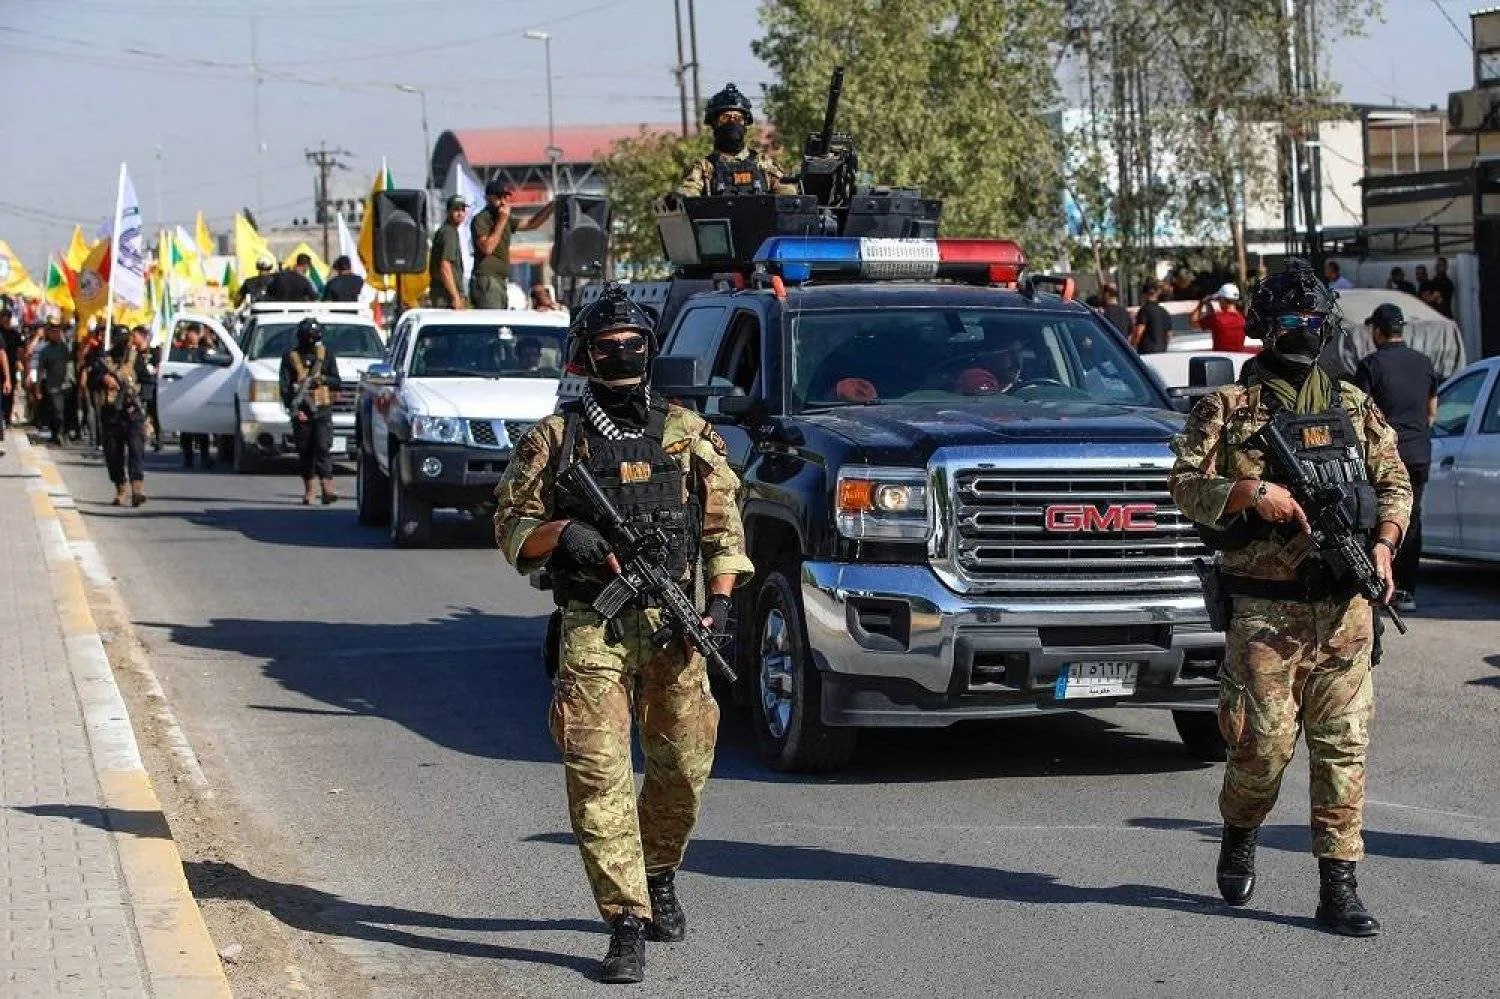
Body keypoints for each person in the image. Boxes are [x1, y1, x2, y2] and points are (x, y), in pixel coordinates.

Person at [493, 283, 752, 985]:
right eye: (606, 346)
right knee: (599, 772)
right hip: (593, 625)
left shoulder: (686, 434)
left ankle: (659, 867)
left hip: (673, 626)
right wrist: (564, 533)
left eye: (632, 343)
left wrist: (721, 605)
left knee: (686, 766)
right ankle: (626, 917)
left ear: (650, 348)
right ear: (585, 354)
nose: (621, 354)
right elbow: (511, 529)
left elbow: (723, 528)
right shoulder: (555, 439)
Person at [1169, 259, 1412, 938]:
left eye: (1313, 324)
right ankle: (1240, 827)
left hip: (1344, 612)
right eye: (1290, 324)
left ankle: (1339, 887)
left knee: (1343, 748)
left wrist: (1386, 543)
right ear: (1263, 329)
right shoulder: (1226, 407)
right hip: (1265, 615)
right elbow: (1184, 484)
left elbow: (1394, 479)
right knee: (1264, 748)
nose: (1303, 334)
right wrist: (1250, 493)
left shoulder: (1353, 404)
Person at [1354, 304, 1437, 614]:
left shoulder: (1370, 365)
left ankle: (1378, 585)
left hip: (1385, 456)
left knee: (1376, 519)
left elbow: (1360, 415)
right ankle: (1406, 590)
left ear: (1378, 331)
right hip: (1419, 453)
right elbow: (1432, 411)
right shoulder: (1424, 363)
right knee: (1411, 519)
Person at [677, 83, 797, 197]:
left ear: (745, 124)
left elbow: (787, 192)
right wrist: (679, 196)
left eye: (738, 118)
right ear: (715, 124)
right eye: (725, 118)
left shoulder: (763, 164)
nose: (732, 122)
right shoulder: (704, 168)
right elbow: (689, 190)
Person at [279, 317, 342, 505]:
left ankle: (327, 488)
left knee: (323, 447)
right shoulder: (291, 357)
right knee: (306, 452)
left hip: (322, 409)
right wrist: (294, 410)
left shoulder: (326, 355)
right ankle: (309, 491)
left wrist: (322, 380)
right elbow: (284, 388)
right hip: (302, 412)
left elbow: (337, 381)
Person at [471, 182, 555, 310]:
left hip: (500, 279)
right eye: (499, 197)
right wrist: (502, 220)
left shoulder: (505, 219)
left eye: (506, 197)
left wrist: (552, 206)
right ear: (488, 198)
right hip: (487, 279)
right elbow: (487, 248)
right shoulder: (482, 219)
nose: (503, 201)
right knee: (493, 320)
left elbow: (532, 224)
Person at [92, 327, 150, 507]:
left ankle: (137, 489)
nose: (126, 344)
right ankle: (121, 488)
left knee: (136, 451)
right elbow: (91, 381)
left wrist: (140, 401)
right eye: (122, 341)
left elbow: (148, 383)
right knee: (113, 454)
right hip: (111, 415)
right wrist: (103, 379)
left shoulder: (136, 360)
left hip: (132, 413)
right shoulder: (103, 361)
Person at [176, 324, 214, 469]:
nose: (189, 336)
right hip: (184, 393)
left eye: (192, 333)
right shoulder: (180, 351)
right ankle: (188, 458)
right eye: (188, 333)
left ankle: (205, 457)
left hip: (200, 393)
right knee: (186, 428)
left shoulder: (203, 351)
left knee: (201, 428)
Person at [36, 320, 73, 445]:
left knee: (62, 412)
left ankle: (60, 433)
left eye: (58, 332)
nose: (56, 334)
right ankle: (56, 434)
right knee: (56, 411)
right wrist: (38, 388)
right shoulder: (46, 351)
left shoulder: (64, 348)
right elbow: (40, 370)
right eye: (53, 332)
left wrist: (70, 381)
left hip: (65, 386)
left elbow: (69, 365)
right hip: (52, 386)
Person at [429, 195, 468, 309]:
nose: (460, 213)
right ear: (448, 211)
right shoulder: (449, 233)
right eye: (456, 210)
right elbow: (445, 267)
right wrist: (455, 297)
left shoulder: (447, 231)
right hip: (446, 298)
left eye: (462, 210)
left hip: (444, 295)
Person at [1191, 282, 1251, 352]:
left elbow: (1193, 324)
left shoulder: (1216, 318)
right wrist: (1208, 305)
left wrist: (1201, 304)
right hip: (1238, 358)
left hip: (1220, 358)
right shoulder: (1242, 319)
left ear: (1222, 299)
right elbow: (1215, 322)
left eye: (1219, 299)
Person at [132, 325, 163, 450]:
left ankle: (158, 439)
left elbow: (158, 367)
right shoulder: (133, 354)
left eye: (135, 336)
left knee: (154, 414)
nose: (133, 339)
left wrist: (154, 370)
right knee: (140, 414)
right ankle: (141, 438)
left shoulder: (154, 352)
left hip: (152, 386)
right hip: (139, 387)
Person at [1131, 278, 1172, 354]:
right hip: (1162, 352)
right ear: (1157, 294)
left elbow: (1138, 332)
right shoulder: (1165, 312)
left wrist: (1130, 346)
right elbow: (1169, 335)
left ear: (1144, 295)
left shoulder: (1144, 310)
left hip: (1147, 353)